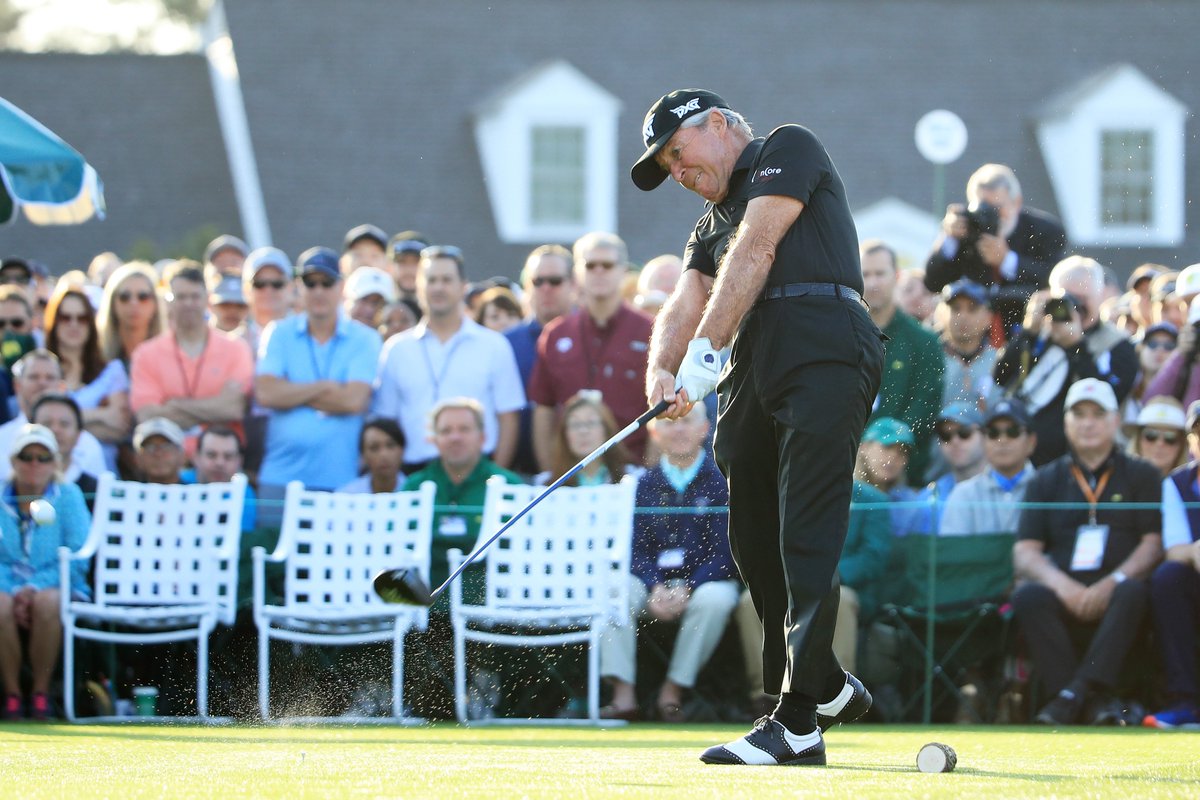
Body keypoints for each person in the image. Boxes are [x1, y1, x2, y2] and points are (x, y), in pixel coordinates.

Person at [632, 88, 884, 765]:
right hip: (754, 361)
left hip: (825, 341)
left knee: (805, 531)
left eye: (677, 153)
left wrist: (703, 354)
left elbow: (758, 246)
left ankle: (795, 720)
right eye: (667, 166)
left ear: (717, 124)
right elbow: (687, 296)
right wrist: (662, 370)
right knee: (753, 537)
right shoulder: (708, 223)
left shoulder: (787, 148)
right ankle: (826, 685)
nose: (678, 173)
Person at [1013, 378, 1162, 726]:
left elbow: (1153, 544)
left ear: (1115, 421)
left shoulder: (1142, 474)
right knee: (1028, 596)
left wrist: (1111, 582)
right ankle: (1090, 698)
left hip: (1118, 593)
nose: (1088, 423)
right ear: (1066, 422)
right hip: (1064, 593)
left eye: (1098, 414)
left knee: (1132, 591)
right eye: (1078, 414)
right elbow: (1025, 552)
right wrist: (1063, 586)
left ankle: (1071, 695)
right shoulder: (1044, 479)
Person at [598, 403, 739, 722]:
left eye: (686, 421)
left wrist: (690, 586)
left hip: (704, 583)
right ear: (655, 432)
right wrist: (654, 586)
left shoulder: (723, 481)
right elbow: (634, 550)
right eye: (669, 422)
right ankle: (623, 695)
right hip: (654, 585)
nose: (678, 429)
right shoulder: (643, 484)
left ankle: (673, 690)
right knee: (615, 590)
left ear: (705, 429)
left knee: (716, 600)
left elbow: (726, 553)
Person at [400, 398, 523, 719]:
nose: (455, 437)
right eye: (446, 430)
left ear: (483, 437)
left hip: (491, 594)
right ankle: (420, 700)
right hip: (429, 597)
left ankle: (487, 692)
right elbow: (396, 546)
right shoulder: (415, 486)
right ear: (433, 439)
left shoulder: (509, 485)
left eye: (464, 429)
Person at [373, 245, 525, 473]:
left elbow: (509, 419)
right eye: (431, 280)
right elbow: (386, 422)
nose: (438, 287)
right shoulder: (396, 349)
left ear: (463, 287)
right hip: (414, 472)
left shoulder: (494, 345)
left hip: (479, 472)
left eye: (446, 280)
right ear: (419, 286)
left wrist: (493, 476)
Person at [256, 247, 381, 498]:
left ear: (341, 286)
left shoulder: (365, 338)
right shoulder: (278, 333)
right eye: (310, 283)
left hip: (339, 481)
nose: (318, 291)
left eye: (327, 283)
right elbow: (267, 394)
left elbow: (353, 400)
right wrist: (325, 387)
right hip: (279, 478)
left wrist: (290, 391)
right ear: (298, 287)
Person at [529, 232, 653, 471]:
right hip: (571, 474)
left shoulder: (650, 331)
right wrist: (550, 471)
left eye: (607, 265)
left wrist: (649, 477)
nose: (598, 272)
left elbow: (661, 411)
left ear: (623, 271)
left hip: (632, 471)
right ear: (577, 273)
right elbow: (543, 408)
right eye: (590, 265)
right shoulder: (555, 335)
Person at [0, 424, 92, 721]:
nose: (34, 464)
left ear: (56, 463)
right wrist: (15, 590)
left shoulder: (69, 495)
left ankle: (41, 693)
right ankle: (12, 695)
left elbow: (77, 555)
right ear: (13, 461)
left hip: (59, 586)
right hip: (6, 589)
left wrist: (33, 588)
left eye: (43, 457)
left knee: (48, 601)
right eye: (26, 456)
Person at [923, 163, 1067, 334]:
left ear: (1016, 202)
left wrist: (1007, 260)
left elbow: (1053, 281)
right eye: (983, 208)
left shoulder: (1045, 230)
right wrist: (948, 240)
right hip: (971, 333)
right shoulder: (965, 228)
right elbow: (933, 282)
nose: (991, 216)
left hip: (1023, 329)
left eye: (997, 208)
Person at [129, 260, 254, 454]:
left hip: (219, 461)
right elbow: (147, 415)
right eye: (181, 297)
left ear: (207, 298)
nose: (188, 304)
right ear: (167, 300)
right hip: (168, 461)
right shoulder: (146, 354)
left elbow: (233, 408)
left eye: (195, 296)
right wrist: (213, 408)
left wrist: (175, 404)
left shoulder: (236, 349)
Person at [995, 287, 1113, 466]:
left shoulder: (1090, 349)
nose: (1058, 315)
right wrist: (1028, 331)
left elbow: (1093, 391)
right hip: (1016, 441)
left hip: (1053, 455)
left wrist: (1076, 344)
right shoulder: (1035, 342)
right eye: (1052, 309)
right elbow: (1000, 376)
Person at [861, 240, 945, 485]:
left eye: (880, 273)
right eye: (865, 274)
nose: (873, 282)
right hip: (845, 472)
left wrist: (884, 448)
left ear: (896, 276)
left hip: (904, 475)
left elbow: (924, 407)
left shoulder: (924, 342)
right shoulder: (838, 338)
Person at [1144, 399, 1200, 728]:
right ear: (1191, 443)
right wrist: (1196, 552)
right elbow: (1176, 549)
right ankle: (1185, 702)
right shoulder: (1176, 484)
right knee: (1168, 578)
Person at [504, 244, 576, 476]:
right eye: (538, 281)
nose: (546, 288)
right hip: (518, 472)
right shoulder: (506, 344)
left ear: (573, 284)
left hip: (579, 473)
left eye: (555, 281)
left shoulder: (589, 337)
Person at [42, 286, 131, 463]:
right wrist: (100, 414)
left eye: (82, 318)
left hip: (101, 470)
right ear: (54, 321)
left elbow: (119, 427)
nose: (73, 324)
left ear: (91, 323)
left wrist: (61, 426)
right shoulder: (42, 371)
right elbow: (38, 426)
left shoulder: (112, 370)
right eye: (65, 317)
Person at [0, 350, 106, 482]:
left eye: (50, 377)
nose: (42, 383)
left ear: (62, 386)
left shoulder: (88, 444)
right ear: (17, 385)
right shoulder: (1, 439)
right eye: (33, 377)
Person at [940, 397, 1037, 537]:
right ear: (984, 440)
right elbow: (953, 548)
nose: (1002, 440)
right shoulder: (963, 494)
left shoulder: (1050, 490)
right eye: (993, 433)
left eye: (1013, 432)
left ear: (1031, 441)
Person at [538, 391, 634, 487]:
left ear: (606, 430)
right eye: (575, 424)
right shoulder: (546, 485)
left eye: (591, 423)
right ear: (564, 434)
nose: (583, 431)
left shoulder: (631, 479)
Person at [937, 279, 998, 409]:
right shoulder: (930, 359)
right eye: (955, 308)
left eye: (972, 309)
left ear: (988, 318)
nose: (963, 316)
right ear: (941, 315)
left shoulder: (999, 360)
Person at [30, 393, 99, 509]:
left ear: (79, 434)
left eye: (64, 424)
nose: (55, 430)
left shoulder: (97, 490)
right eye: (46, 423)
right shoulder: (12, 489)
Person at [96, 262, 165, 370]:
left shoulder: (169, 357)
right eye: (124, 297)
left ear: (155, 303)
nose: (134, 303)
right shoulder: (96, 356)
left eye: (143, 297)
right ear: (112, 303)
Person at [240, 247, 293, 357]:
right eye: (259, 284)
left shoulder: (310, 337)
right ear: (245, 290)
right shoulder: (236, 343)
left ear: (290, 288)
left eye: (277, 284)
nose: (268, 290)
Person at [1125, 322, 1178, 428]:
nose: (1160, 350)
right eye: (1153, 344)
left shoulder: (1183, 388)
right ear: (1141, 348)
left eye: (1169, 346)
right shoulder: (1126, 383)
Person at [339, 418, 407, 494]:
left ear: (402, 450)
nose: (383, 455)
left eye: (390, 445)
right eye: (374, 448)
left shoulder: (415, 491)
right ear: (363, 455)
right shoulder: (347, 496)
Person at [1127, 397, 1188, 478]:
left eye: (1170, 437)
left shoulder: (1194, 484)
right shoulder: (1116, 478)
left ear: (1182, 444)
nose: (1160, 443)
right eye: (1150, 435)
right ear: (1138, 439)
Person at [132, 417, 186, 484]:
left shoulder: (195, 490)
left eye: (166, 447)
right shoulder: (126, 490)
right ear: (137, 458)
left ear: (182, 456)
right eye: (150, 448)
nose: (158, 454)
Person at [387, 231, 427, 304]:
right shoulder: (376, 308)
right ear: (390, 266)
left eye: (416, 262)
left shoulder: (442, 308)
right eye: (402, 261)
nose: (409, 270)